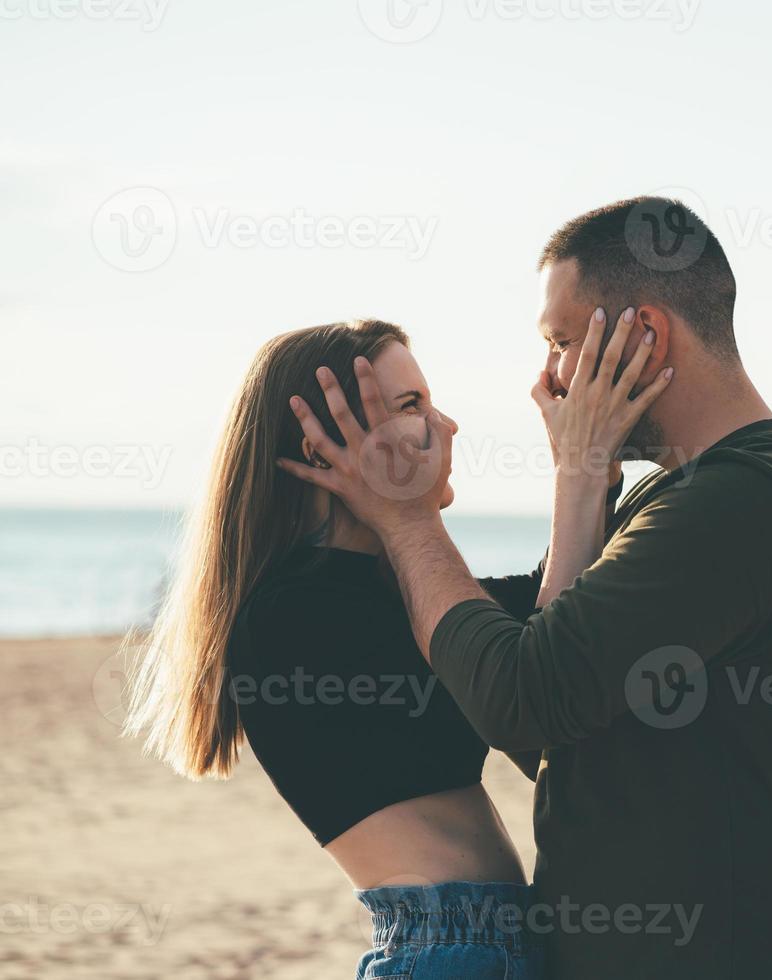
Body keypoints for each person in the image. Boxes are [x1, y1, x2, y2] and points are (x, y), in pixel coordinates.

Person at [280, 198, 772, 979]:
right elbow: (554, 738)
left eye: (561, 342)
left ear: (646, 334)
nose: (550, 377)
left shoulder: (739, 499)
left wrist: (404, 522)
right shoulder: (672, 500)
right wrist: (585, 485)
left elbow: (522, 698)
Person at [124, 318, 666, 978]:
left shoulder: (375, 593)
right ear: (326, 449)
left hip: (480, 949)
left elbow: (543, 621)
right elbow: (528, 674)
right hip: (450, 952)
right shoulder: (293, 615)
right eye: (412, 406)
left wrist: (591, 466)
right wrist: (568, 478)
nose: (447, 427)